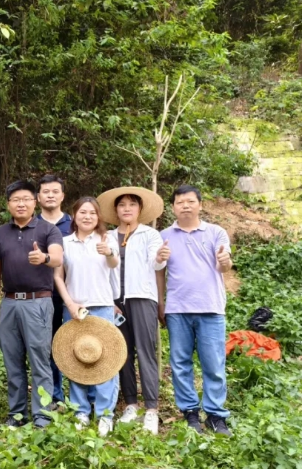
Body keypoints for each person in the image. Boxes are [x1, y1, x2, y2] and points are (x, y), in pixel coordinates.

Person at [0, 180, 64, 428]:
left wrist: (43, 257)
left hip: (38, 303)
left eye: (26, 199)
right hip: (9, 303)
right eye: (15, 200)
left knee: (40, 359)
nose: (21, 204)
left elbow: (57, 259)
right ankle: (17, 414)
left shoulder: (47, 230)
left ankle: (42, 415)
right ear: (8, 204)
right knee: (12, 361)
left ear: (35, 202)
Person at [159, 185, 232, 436]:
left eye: (190, 201)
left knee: (213, 363)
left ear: (200, 204)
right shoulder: (164, 235)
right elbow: (159, 271)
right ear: (173, 207)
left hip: (211, 308)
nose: (185, 206)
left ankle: (215, 415)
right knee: (180, 363)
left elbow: (225, 265)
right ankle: (190, 412)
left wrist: (225, 262)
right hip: (178, 308)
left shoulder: (215, 232)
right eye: (180, 202)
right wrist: (161, 303)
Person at [97, 187, 166, 435]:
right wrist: (109, 298)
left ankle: (151, 409)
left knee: (146, 351)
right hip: (115, 301)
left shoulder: (150, 235)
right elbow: (103, 270)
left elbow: (156, 264)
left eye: (132, 204)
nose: (127, 208)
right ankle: (131, 404)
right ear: (116, 211)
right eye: (122, 205)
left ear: (139, 209)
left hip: (142, 298)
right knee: (121, 353)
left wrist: (161, 257)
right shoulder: (107, 236)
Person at [53, 197, 120, 436]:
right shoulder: (64, 242)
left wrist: (109, 251)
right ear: (74, 215)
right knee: (75, 360)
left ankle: (105, 414)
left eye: (92, 213)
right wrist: (69, 303)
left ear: (98, 217)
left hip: (101, 306)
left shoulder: (106, 239)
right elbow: (58, 276)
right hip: (74, 310)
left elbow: (113, 264)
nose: (88, 216)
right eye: (83, 212)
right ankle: (81, 410)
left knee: (106, 362)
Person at [35, 174, 73, 404]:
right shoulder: (32, 224)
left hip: (72, 294)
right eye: (46, 192)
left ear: (62, 196)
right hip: (41, 296)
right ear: (38, 197)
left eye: (55, 191)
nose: (50, 195)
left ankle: (82, 396)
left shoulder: (75, 223)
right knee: (49, 347)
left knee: (74, 344)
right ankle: (55, 396)